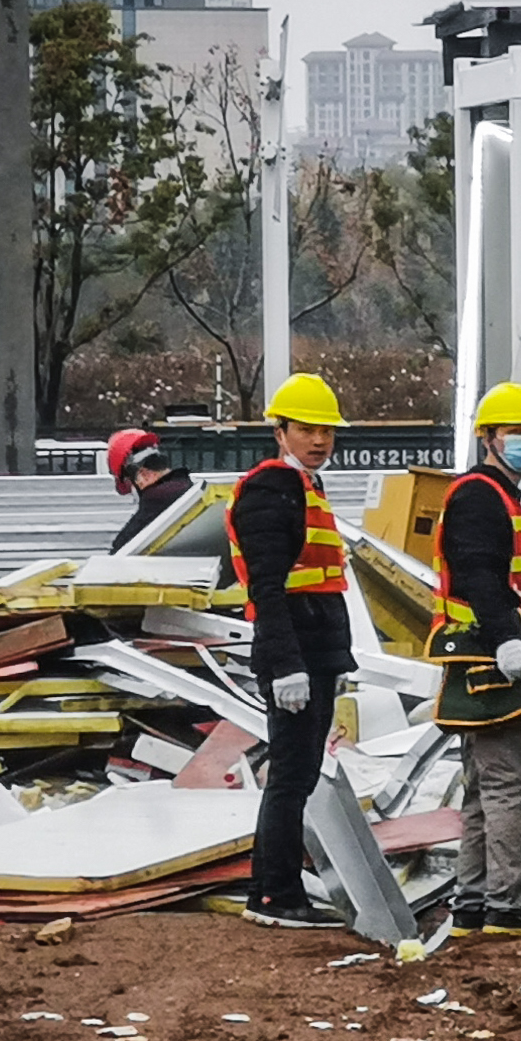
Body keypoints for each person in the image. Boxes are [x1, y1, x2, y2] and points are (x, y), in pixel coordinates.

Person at [225, 373, 357, 928]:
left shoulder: (303, 486)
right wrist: (286, 665)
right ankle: (274, 894)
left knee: (298, 776)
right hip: (296, 653)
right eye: (306, 429)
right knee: (290, 777)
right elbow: (267, 589)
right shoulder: (271, 489)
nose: (319, 440)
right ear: (280, 430)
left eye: (326, 430)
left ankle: (278, 889)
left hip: (315, 651)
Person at [431, 383, 521, 937]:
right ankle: (509, 906)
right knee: (514, 787)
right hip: (493, 660)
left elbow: (504, 577)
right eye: (516, 432)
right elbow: (479, 574)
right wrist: (508, 638)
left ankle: (473, 906)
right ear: (487, 438)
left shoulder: (491, 494)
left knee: (485, 791)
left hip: (484, 657)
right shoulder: (481, 495)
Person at [105, 427, 194, 553]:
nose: (134, 492)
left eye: (130, 485)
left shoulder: (156, 499)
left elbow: (122, 549)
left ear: (142, 475)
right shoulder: (187, 487)